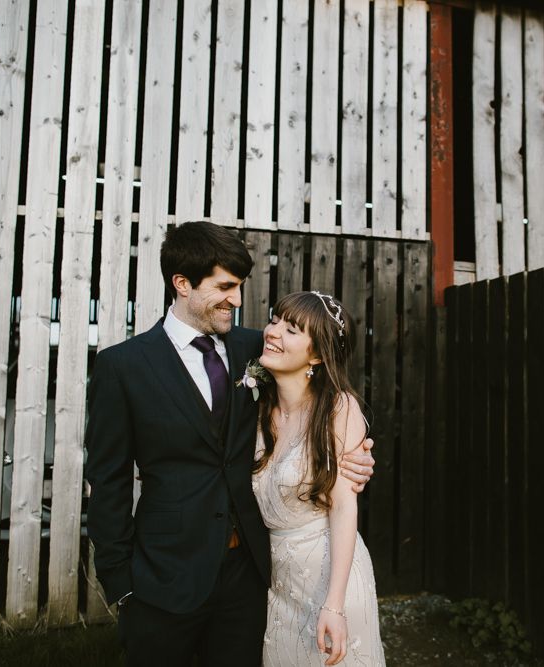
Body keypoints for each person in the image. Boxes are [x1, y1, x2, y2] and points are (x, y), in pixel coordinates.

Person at [85, 222, 375, 666]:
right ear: (182, 284)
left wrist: (357, 458)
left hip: (251, 578)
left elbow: (319, 393)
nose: (237, 300)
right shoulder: (122, 368)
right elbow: (107, 481)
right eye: (225, 287)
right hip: (164, 580)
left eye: (239, 287)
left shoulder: (257, 350)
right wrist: (121, 583)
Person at [252, 290, 385, 665]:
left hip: (331, 575)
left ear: (316, 355)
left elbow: (344, 507)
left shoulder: (338, 408)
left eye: (291, 329)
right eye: (275, 320)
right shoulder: (259, 408)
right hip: (278, 584)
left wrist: (335, 604)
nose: (273, 332)